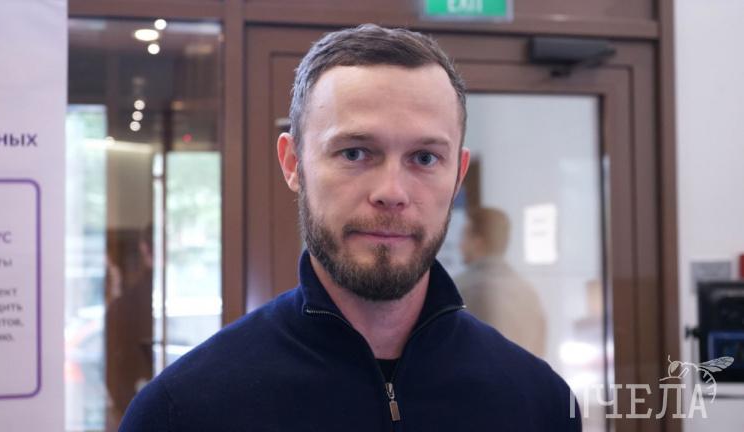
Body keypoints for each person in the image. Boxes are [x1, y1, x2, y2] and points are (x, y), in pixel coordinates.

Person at [120, 24, 580, 431]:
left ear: (457, 174)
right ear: (293, 163)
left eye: (424, 158)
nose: (392, 192)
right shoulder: (183, 412)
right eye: (355, 153)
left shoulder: (539, 404)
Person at [456, 207, 547, 357]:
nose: (460, 245)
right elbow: (540, 349)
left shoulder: (459, 291)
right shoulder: (528, 292)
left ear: (478, 242)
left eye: (464, 236)